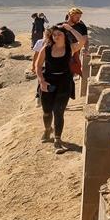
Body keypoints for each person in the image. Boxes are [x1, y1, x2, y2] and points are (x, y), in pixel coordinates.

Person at [35, 23, 87, 154]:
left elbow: (82, 41)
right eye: (54, 35)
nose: (56, 36)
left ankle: (57, 139)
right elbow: (38, 66)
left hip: (64, 82)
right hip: (48, 82)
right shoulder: (46, 49)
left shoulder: (70, 48)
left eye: (59, 34)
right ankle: (48, 130)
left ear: (64, 36)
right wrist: (42, 81)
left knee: (58, 111)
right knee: (47, 112)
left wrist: (70, 28)